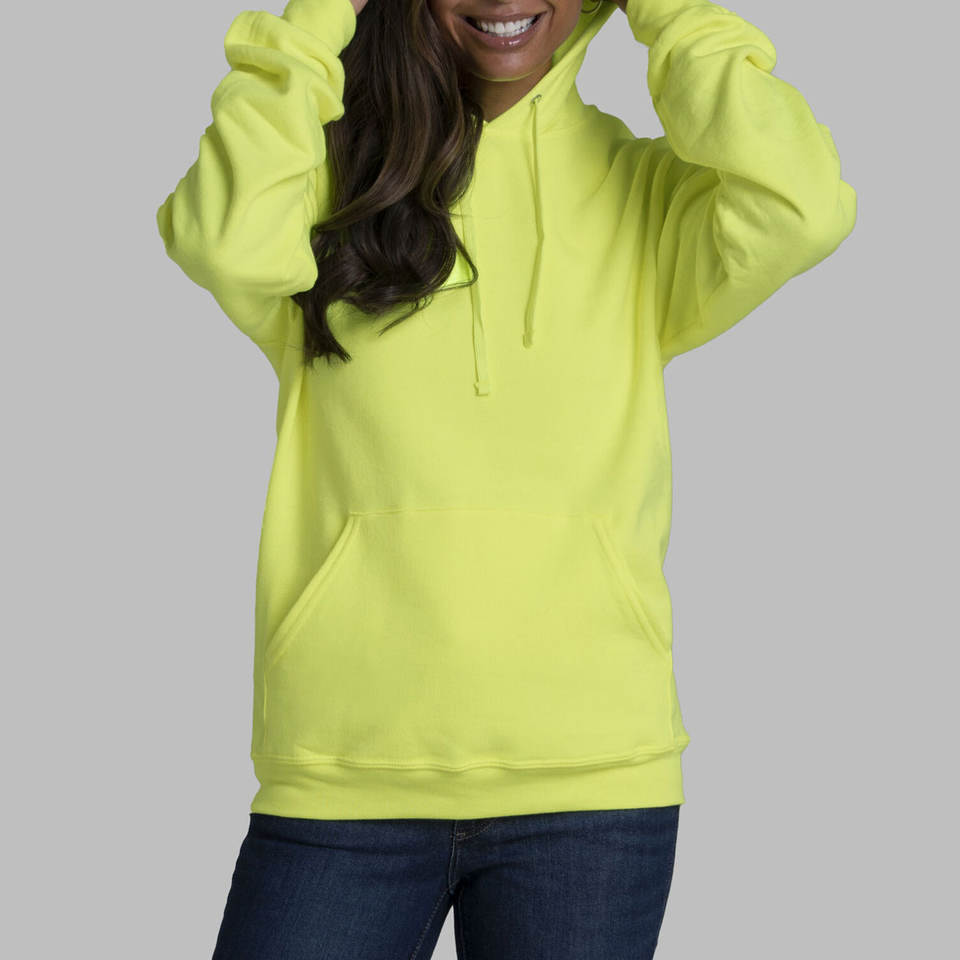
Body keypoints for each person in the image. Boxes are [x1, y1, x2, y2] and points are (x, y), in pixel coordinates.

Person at [155, 0, 857, 956]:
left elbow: (805, 204)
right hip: (343, 777)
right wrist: (319, 16)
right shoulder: (323, 181)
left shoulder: (648, 194)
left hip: (592, 789)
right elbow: (223, 239)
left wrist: (667, 12)